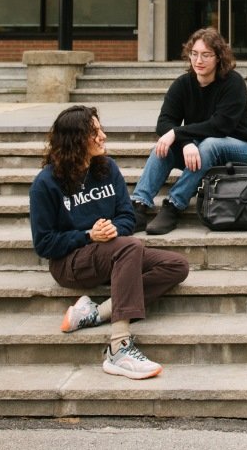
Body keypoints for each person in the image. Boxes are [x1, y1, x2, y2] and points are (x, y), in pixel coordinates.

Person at [29, 104, 190, 380]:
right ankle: (119, 347)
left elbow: (128, 216)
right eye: (94, 132)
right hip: (70, 263)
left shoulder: (106, 168)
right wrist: (87, 236)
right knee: (131, 247)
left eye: (100, 129)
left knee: (177, 266)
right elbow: (44, 244)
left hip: (111, 251)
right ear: (75, 140)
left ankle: (97, 312)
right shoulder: (46, 184)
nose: (103, 136)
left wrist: (112, 229)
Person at [131, 27, 247, 235]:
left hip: (241, 147)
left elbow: (221, 126)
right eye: (194, 54)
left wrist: (179, 133)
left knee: (207, 144)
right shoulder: (183, 84)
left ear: (219, 57)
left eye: (206, 55)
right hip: (200, 150)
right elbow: (164, 122)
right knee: (163, 145)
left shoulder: (233, 83)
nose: (199, 60)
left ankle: (174, 205)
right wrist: (185, 142)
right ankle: (138, 205)